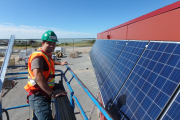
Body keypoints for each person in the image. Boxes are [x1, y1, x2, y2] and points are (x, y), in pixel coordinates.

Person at [24, 30, 67, 120]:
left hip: (42, 94)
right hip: (39, 96)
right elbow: (38, 77)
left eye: (54, 43)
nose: (52, 46)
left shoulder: (46, 55)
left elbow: (50, 62)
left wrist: (60, 63)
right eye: (49, 43)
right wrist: (52, 94)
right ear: (43, 43)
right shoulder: (38, 57)